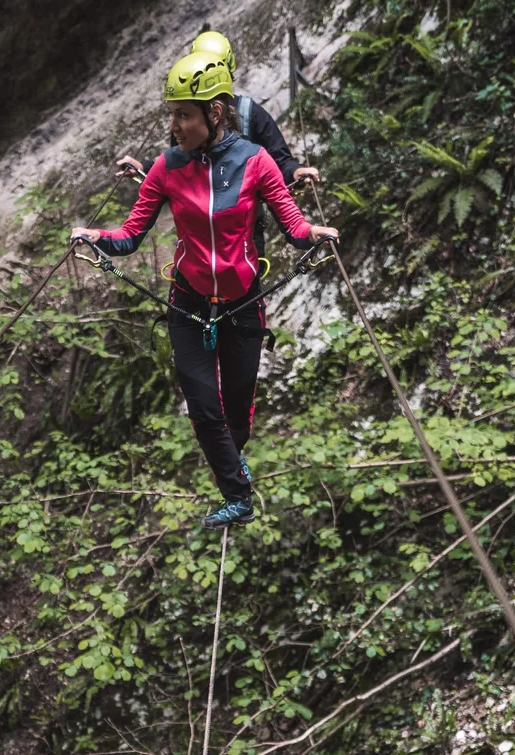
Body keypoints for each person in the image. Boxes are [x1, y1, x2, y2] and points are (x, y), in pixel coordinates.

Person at [71, 52, 339, 530]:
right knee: (202, 403)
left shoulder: (256, 163)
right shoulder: (166, 167)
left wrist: (317, 235)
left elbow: (293, 227)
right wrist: (96, 238)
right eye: (171, 114)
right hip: (188, 305)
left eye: (183, 115)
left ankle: (235, 462)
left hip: (243, 303)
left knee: (236, 411)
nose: (173, 125)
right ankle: (238, 495)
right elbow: (131, 236)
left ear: (214, 113)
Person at [116, 30, 320, 257]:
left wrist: (296, 172)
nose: (175, 125)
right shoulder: (192, 118)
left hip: (243, 230)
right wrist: (144, 166)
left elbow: (279, 160)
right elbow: (179, 159)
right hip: (198, 233)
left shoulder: (251, 114)